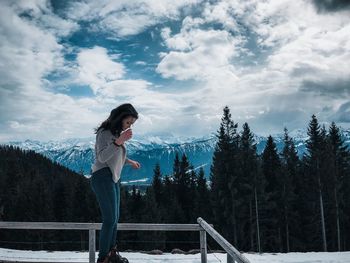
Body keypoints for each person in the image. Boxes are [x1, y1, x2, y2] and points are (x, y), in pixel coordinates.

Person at [91, 103, 141, 263]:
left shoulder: (115, 134)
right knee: (109, 219)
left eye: (131, 124)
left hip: (112, 177)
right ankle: (103, 258)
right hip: (102, 177)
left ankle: (111, 254)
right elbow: (102, 157)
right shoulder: (104, 133)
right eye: (128, 122)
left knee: (115, 218)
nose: (129, 126)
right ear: (119, 118)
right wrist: (119, 142)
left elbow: (114, 157)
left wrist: (129, 161)